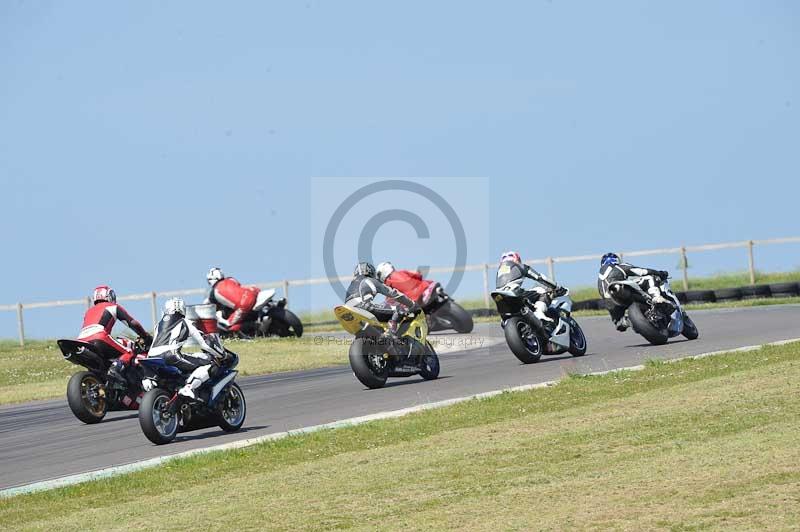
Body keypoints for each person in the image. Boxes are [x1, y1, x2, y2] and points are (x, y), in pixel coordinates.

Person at [147, 297, 228, 400]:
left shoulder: (158, 325)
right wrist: (222, 354)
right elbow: (205, 344)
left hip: (151, 358)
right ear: (182, 308)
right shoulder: (185, 322)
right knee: (209, 362)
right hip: (170, 356)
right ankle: (189, 387)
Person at [77, 285, 152, 380]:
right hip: (99, 337)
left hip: (81, 340)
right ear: (108, 295)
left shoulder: (88, 311)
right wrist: (145, 336)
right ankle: (115, 369)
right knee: (129, 352)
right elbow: (132, 323)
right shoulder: (113, 307)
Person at [597, 252, 671, 331]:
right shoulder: (619, 266)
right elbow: (642, 271)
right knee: (649, 277)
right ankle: (657, 297)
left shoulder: (599, 280)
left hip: (610, 301)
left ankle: (625, 321)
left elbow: (604, 297)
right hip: (621, 288)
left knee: (619, 323)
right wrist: (660, 273)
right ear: (616, 260)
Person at [345, 262, 419, 335]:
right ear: (371, 272)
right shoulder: (371, 281)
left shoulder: (351, 284)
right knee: (399, 310)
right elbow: (394, 294)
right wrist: (411, 303)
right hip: (363, 307)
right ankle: (391, 334)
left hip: (348, 309)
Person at [496, 251, 564, 325]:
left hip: (499, 297)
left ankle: (505, 321)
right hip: (514, 293)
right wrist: (556, 287)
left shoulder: (499, 272)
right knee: (541, 291)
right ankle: (539, 313)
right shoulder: (520, 266)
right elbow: (540, 277)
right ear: (516, 259)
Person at [205, 267, 259, 332]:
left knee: (228, 327)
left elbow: (212, 307)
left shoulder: (213, 293)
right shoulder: (231, 279)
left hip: (242, 306)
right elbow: (238, 287)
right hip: (252, 293)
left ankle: (254, 329)